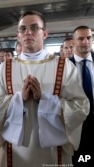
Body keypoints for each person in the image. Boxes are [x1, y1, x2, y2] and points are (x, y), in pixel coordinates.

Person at [0, 10, 89, 167]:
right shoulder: (5, 68)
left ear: (45, 33)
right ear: (18, 36)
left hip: (53, 150)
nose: (28, 33)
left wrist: (45, 99)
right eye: (23, 29)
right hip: (15, 150)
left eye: (34, 28)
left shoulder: (64, 66)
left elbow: (81, 107)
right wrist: (18, 99)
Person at [70, 25, 94, 167]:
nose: (86, 41)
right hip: (76, 122)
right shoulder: (64, 66)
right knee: (80, 159)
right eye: (81, 39)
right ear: (73, 42)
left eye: (89, 38)